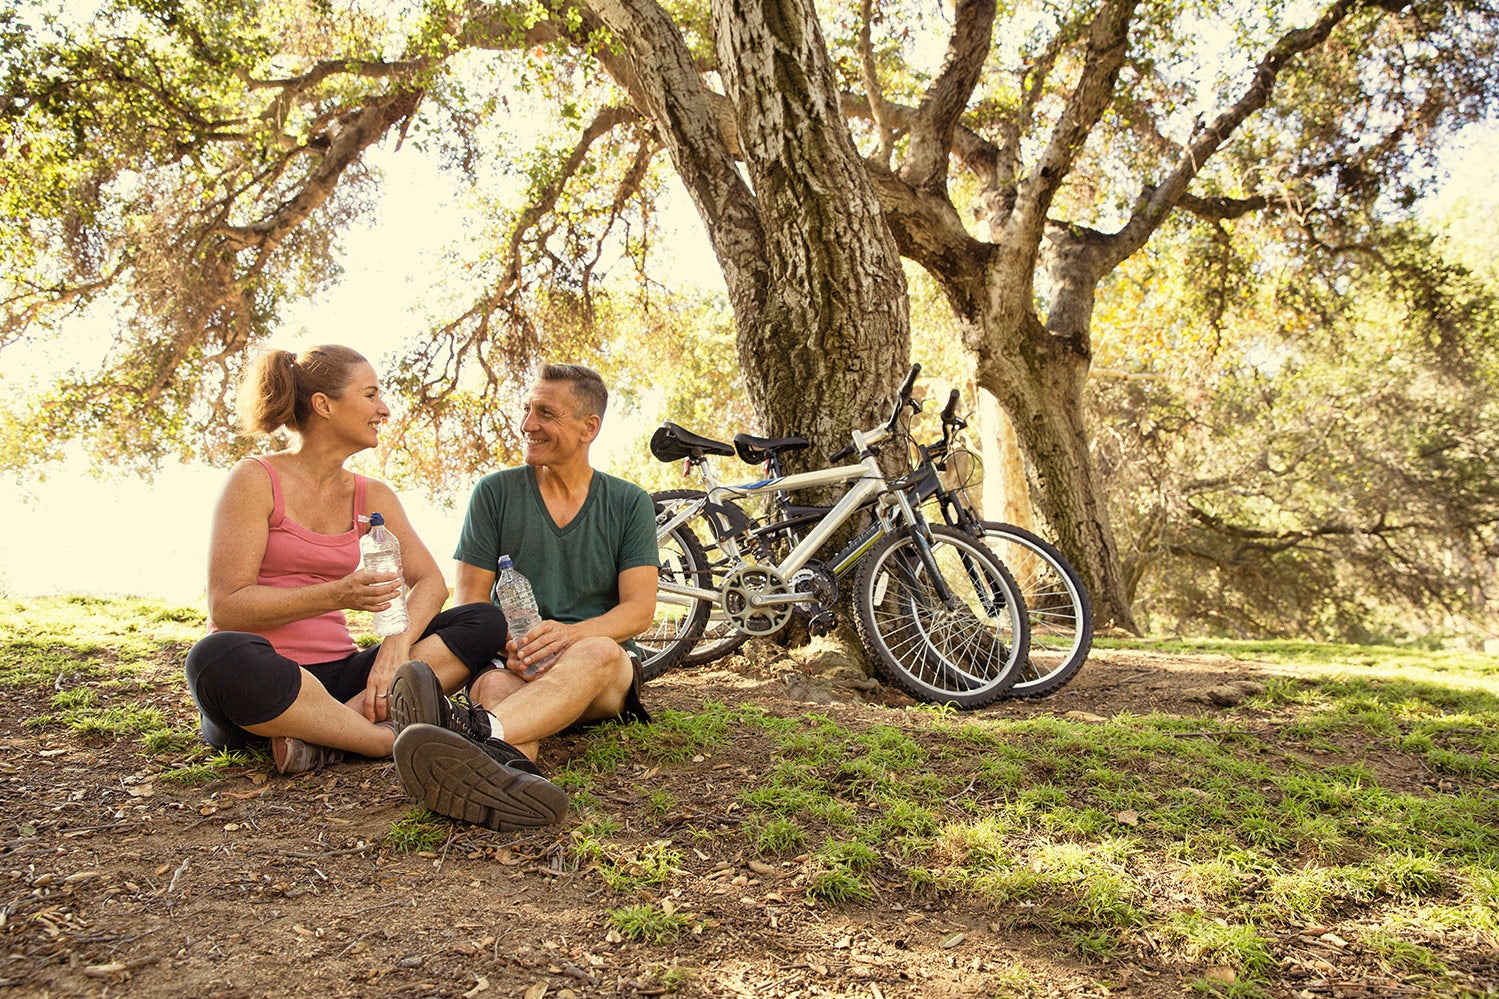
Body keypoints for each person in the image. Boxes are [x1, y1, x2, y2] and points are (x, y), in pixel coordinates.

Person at [183, 345, 507, 775]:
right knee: (214, 655)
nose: (384, 409)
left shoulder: (371, 495)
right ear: (324, 405)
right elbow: (228, 606)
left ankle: (329, 734)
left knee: (483, 620)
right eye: (370, 395)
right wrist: (338, 593)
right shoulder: (255, 480)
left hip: (342, 677)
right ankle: (379, 738)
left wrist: (395, 648)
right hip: (267, 682)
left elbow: (431, 582)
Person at [389, 363, 657, 831]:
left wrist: (567, 636)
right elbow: (470, 601)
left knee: (595, 651)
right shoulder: (494, 493)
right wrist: (504, 649)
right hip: (515, 665)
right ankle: (504, 788)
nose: (528, 424)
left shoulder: (629, 502)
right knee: (492, 687)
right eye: (528, 409)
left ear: (588, 428)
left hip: (598, 673)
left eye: (546, 413)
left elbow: (639, 611)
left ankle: (472, 733)